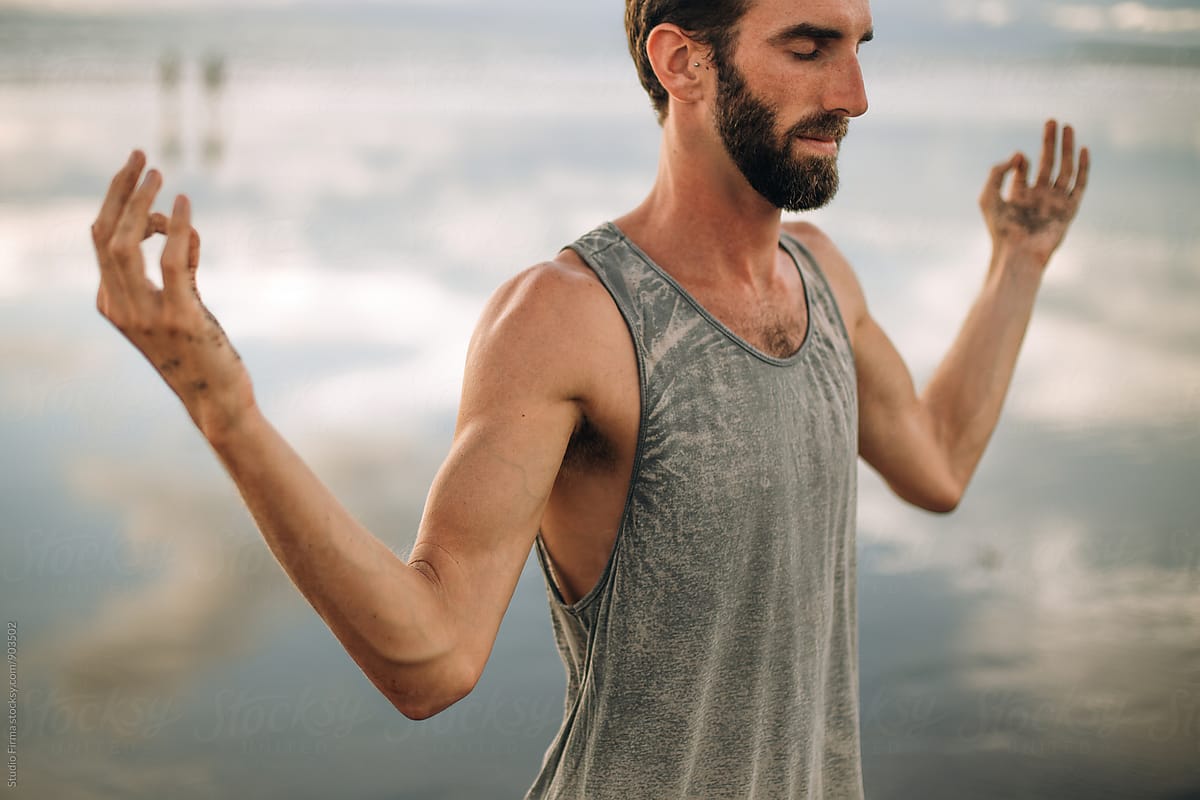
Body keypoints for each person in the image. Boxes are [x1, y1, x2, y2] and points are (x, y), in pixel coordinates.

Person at [88, 0, 1088, 796]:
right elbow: (430, 656)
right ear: (681, 60)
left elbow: (940, 462)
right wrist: (228, 413)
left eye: (861, 46)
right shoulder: (568, 318)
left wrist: (1018, 266)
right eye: (811, 47)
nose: (857, 93)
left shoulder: (823, 276)